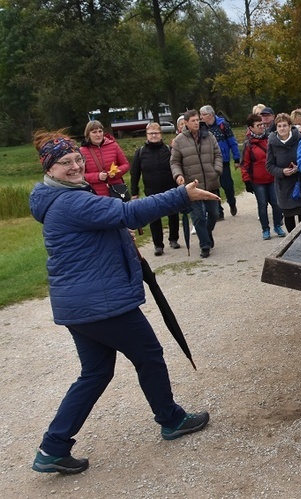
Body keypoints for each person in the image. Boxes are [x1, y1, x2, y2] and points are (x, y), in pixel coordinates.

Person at [29, 132, 217, 474]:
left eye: (76, 160)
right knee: (148, 355)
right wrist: (181, 195)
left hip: (79, 306)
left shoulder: (59, 197)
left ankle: (53, 448)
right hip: (99, 304)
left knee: (96, 372)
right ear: (50, 168)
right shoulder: (71, 201)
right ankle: (171, 419)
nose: (74, 166)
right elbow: (130, 212)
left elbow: (96, 232)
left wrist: (116, 235)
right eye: (65, 163)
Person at [170, 109, 222, 258]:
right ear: (185, 123)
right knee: (198, 216)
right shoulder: (179, 141)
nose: (196, 123)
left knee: (214, 213)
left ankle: (206, 232)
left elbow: (218, 154)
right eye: (192, 120)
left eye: (197, 120)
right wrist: (178, 175)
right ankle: (204, 245)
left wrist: (216, 170)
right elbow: (174, 162)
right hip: (192, 186)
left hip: (211, 182)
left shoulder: (209, 136)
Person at [130, 122, 180, 256]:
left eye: (156, 133)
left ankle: (173, 239)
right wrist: (134, 192)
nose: (153, 136)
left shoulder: (168, 150)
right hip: (151, 189)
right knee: (154, 218)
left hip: (170, 187)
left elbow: (176, 166)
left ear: (160, 134)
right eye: (151, 133)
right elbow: (135, 173)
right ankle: (158, 245)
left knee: (173, 215)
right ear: (146, 135)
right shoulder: (140, 152)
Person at [242, 113, 285, 240]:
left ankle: (277, 225)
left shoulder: (270, 139)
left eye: (262, 124)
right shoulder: (248, 144)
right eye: (258, 125)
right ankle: (265, 229)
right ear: (251, 127)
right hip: (257, 180)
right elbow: (245, 164)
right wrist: (247, 180)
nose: (261, 127)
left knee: (277, 203)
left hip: (272, 177)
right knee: (262, 204)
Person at [266, 113, 301, 232]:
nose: (282, 128)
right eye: (279, 126)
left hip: (300, 183)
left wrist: (298, 167)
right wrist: (282, 171)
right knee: (289, 217)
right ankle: (291, 242)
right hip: (283, 186)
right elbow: (269, 165)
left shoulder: (299, 139)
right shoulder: (272, 143)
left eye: (284, 125)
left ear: (290, 126)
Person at [199, 105, 241, 219]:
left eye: (203, 115)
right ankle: (218, 211)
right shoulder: (202, 128)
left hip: (224, 161)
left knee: (227, 185)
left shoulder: (223, 125)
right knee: (213, 187)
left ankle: (232, 202)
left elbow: (232, 142)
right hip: (209, 162)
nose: (201, 117)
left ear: (210, 115)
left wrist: (237, 159)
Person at [79, 120, 130, 197]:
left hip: (116, 190)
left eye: (100, 131)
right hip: (96, 194)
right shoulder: (82, 151)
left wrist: (116, 173)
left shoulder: (113, 145)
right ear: (88, 134)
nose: (98, 135)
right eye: (94, 132)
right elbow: (80, 175)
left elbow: (125, 165)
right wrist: (97, 176)